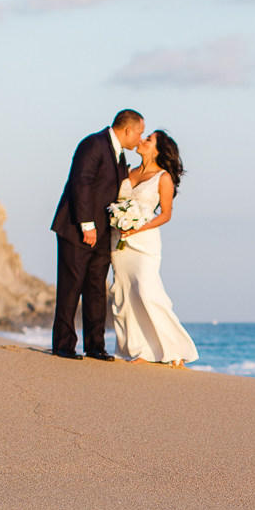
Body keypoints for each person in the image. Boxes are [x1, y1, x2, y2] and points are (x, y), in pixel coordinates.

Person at [50, 109, 144, 360]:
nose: (140, 138)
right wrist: (86, 225)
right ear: (127, 130)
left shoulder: (120, 155)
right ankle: (63, 345)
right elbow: (81, 182)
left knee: (95, 289)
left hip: (104, 232)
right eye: (139, 133)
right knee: (71, 287)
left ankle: (95, 346)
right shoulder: (93, 144)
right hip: (77, 228)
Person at [111, 130, 199, 366]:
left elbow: (166, 214)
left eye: (148, 139)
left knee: (148, 292)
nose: (141, 141)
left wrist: (138, 228)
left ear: (158, 149)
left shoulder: (163, 177)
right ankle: (139, 351)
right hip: (118, 241)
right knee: (123, 295)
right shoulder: (128, 173)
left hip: (145, 241)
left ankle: (174, 349)